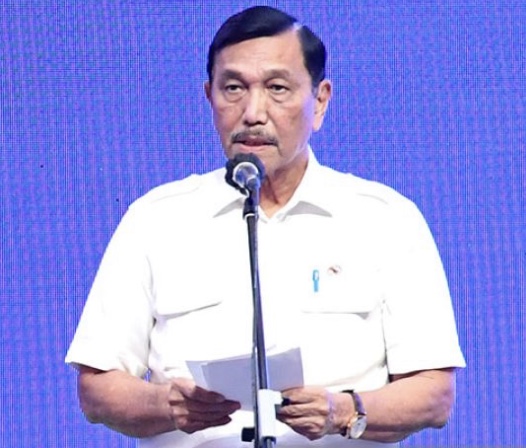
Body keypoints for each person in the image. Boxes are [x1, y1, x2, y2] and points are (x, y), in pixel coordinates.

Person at [65, 5, 465, 448]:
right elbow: (97, 388)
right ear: (209, 97)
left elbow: (434, 393)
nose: (253, 112)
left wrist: (343, 411)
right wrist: (168, 405)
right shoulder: (156, 219)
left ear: (320, 100)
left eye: (277, 88)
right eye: (233, 88)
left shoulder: (386, 219)